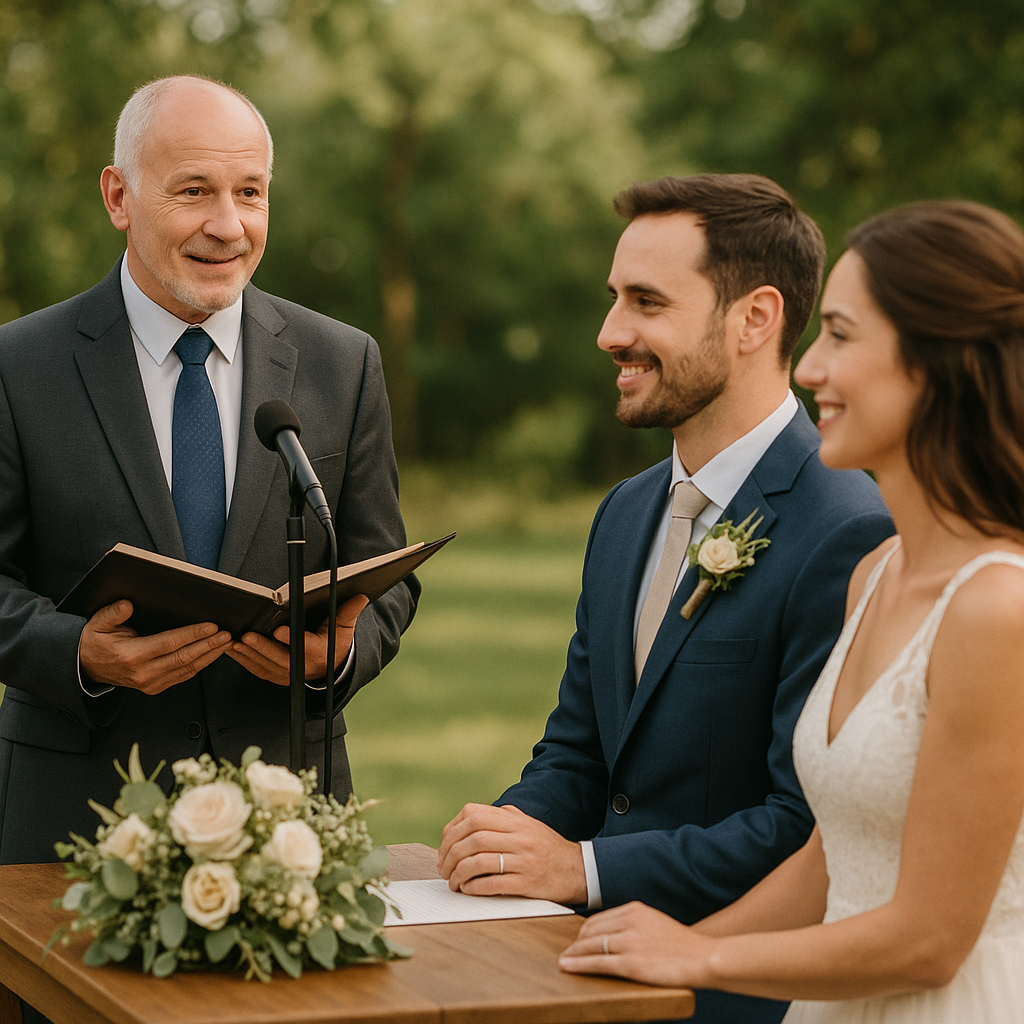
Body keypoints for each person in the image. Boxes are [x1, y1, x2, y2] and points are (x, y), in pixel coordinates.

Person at [437, 173, 893, 1024]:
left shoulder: (847, 528)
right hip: (593, 973)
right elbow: (579, 752)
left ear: (755, 319)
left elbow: (806, 826)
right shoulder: (626, 511)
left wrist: (582, 869)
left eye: (646, 302)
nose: (610, 333)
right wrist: (501, 838)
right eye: (614, 298)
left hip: (742, 995)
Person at [558, 198, 1024, 1022]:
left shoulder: (996, 607)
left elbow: (932, 939)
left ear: (938, 363)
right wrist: (663, 967)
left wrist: (703, 955)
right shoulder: (876, 575)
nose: (808, 369)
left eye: (840, 335)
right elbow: (827, 856)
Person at [0, 75, 418, 866]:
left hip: (289, 823)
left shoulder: (344, 362)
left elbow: (384, 573)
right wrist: (76, 652)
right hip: (72, 820)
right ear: (119, 197)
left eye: (250, 193)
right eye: (194, 191)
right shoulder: (17, 367)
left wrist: (338, 656)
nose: (229, 226)